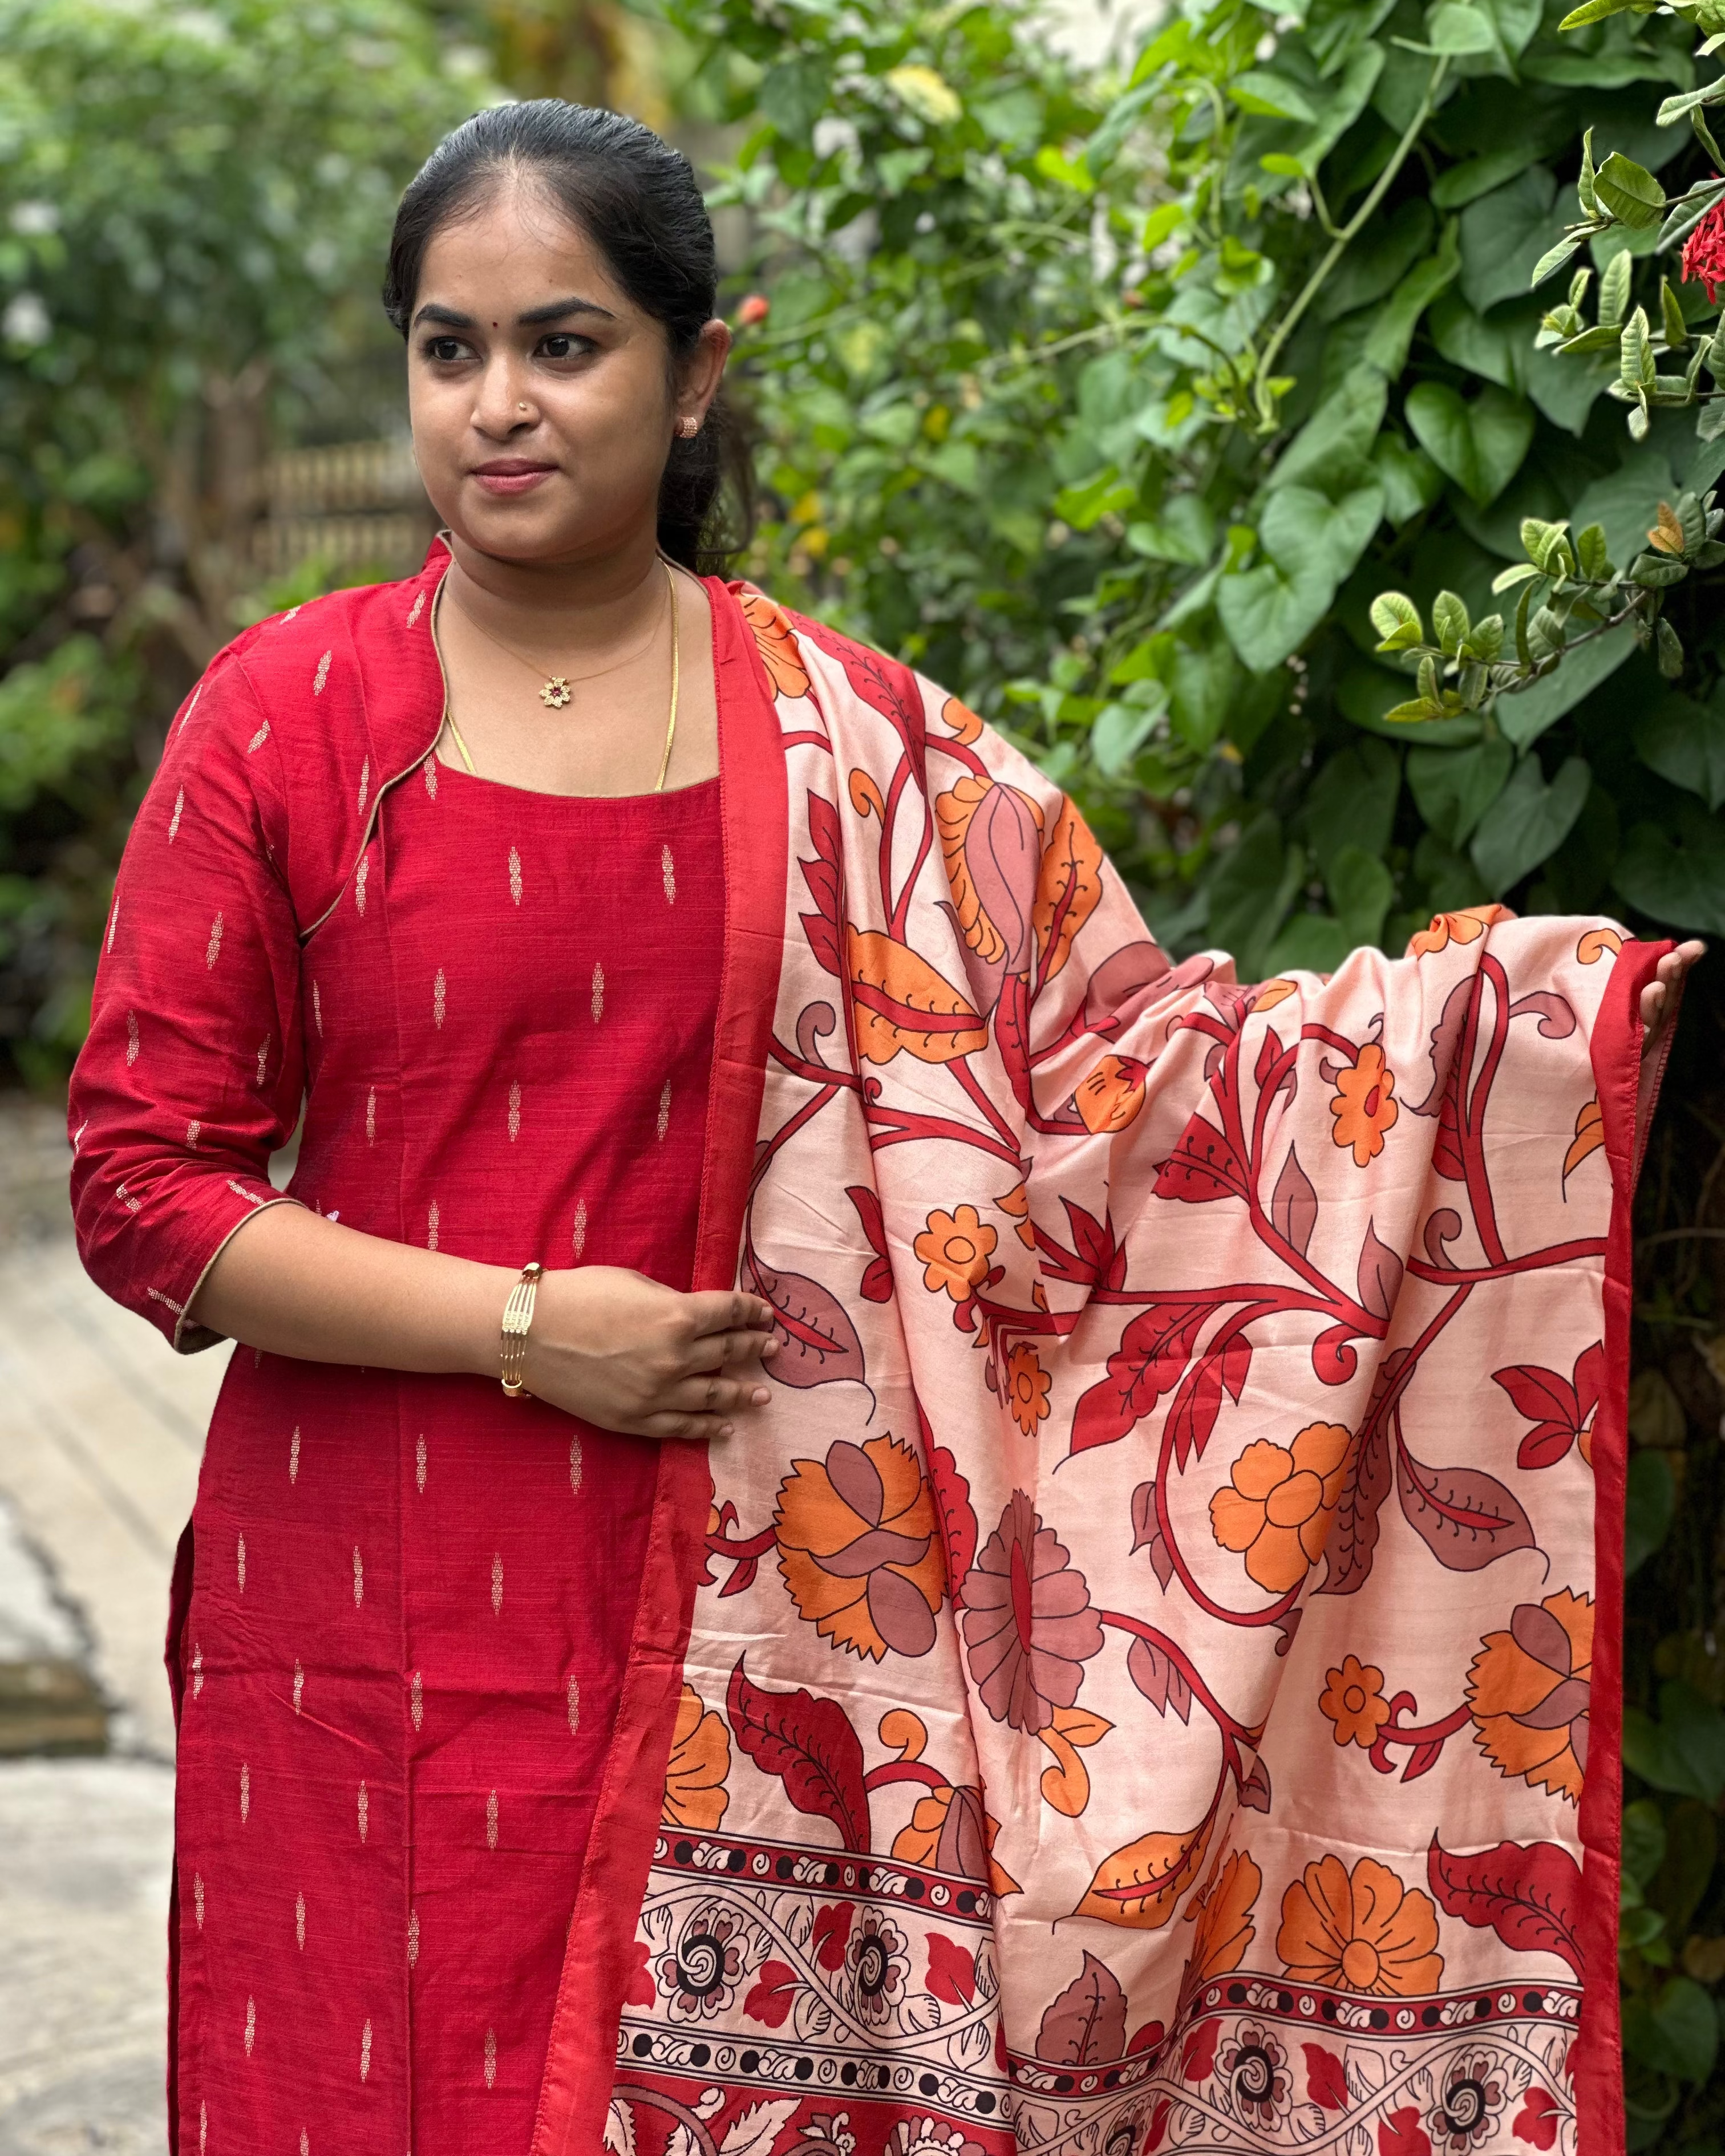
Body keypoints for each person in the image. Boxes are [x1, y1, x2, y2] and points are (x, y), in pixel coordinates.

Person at [68, 98, 1699, 2156]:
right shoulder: (287, 720)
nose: (498, 403)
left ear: (696, 373)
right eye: (447, 346)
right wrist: (528, 1323)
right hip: (366, 1606)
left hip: (776, 1650)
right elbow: (143, 1187)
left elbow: (1131, 1088)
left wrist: (1521, 1034)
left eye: (564, 343)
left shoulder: (870, 746)